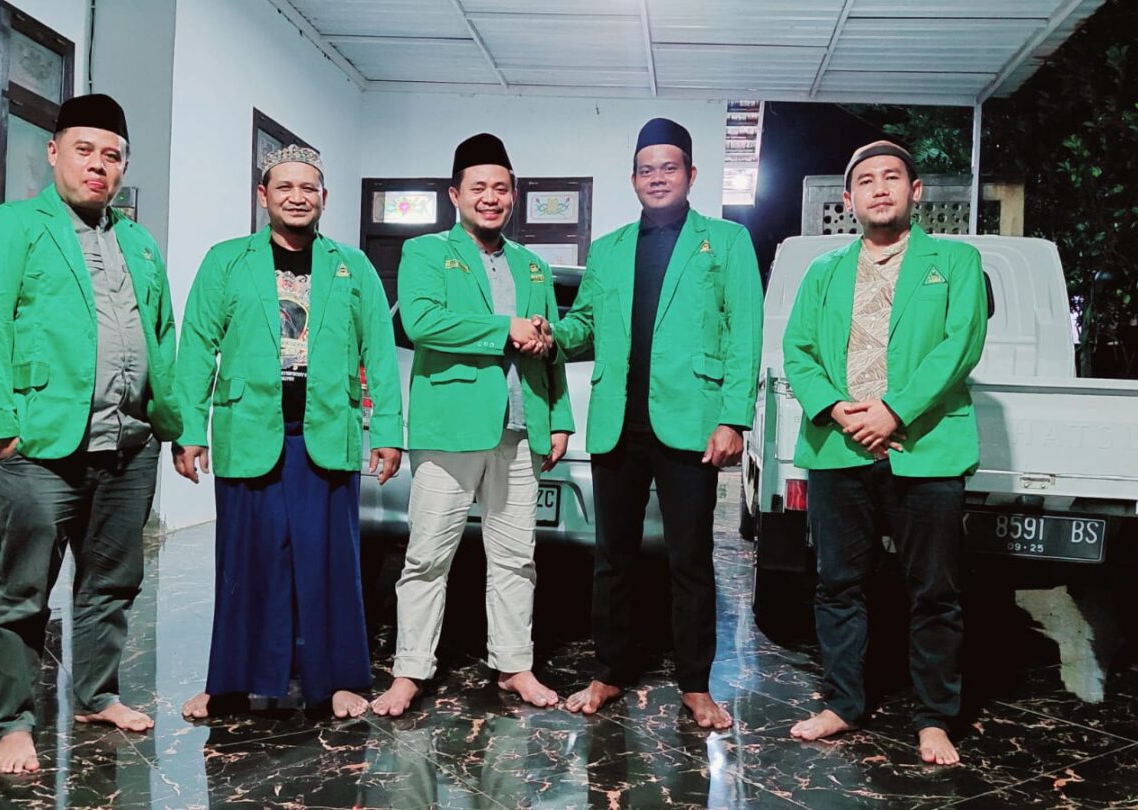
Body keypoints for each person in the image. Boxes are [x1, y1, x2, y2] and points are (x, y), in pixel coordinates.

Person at [0, 94, 182, 773]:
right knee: (24, 592)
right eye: (85, 150)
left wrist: (170, 422)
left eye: (111, 155)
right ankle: (12, 722)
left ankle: (96, 694)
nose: (98, 165)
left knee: (111, 583)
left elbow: (162, 332)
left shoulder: (138, 241)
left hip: (129, 443)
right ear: (53, 152)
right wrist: (0, 425)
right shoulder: (14, 226)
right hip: (41, 445)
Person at [171, 144, 403, 721]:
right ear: (263, 196)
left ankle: (337, 681)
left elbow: (379, 348)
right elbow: (196, 346)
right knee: (246, 562)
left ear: (323, 197)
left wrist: (388, 431)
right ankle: (230, 683)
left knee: (329, 564)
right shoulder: (227, 261)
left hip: (326, 430)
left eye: (308, 188)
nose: (297, 197)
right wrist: (188, 429)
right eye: (284, 187)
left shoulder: (352, 266)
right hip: (248, 428)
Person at [550, 118, 763, 729]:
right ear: (633, 179)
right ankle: (609, 670)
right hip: (618, 422)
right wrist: (551, 334)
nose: (658, 177)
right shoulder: (609, 248)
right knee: (611, 558)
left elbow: (743, 333)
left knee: (690, 560)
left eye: (669, 167)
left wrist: (733, 418)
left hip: (690, 423)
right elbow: (584, 326)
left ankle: (696, 684)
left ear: (691, 175)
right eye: (647, 169)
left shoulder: (726, 241)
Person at [782, 141, 988, 766]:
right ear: (849, 200)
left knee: (935, 592)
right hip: (838, 447)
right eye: (866, 180)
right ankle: (843, 703)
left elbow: (960, 344)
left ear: (914, 191)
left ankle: (934, 719)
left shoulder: (956, 262)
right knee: (837, 585)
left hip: (925, 447)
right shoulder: (824, 272)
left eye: (891, 177)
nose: (879, 188)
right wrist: (836, 409)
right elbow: (798, 350)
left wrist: (893, 410)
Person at [371, 133, 573, 716]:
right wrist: (504, 327)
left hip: (520, 429)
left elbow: (550, 349)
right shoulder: (426, 253)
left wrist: (559, 418)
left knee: (516, 557)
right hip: (450, 427)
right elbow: (423, 322)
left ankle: (514, 665)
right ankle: (410, 671)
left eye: (501, 188)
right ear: (455, 194)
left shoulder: (533, 265)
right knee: (427, 557)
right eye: (479, 187)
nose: (491, 197)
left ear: (513, 196)